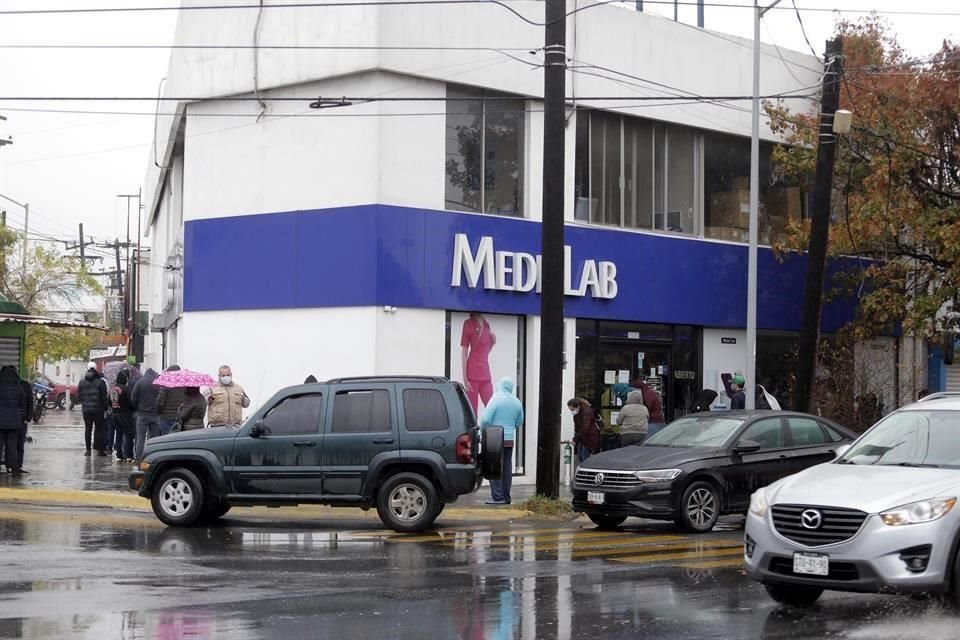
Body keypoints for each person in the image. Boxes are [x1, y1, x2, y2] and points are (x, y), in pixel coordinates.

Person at [480, 377, 523, 505]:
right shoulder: (516, 402)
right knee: (507, 468)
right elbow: (520, 421)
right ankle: (506, 497)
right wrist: (510, 428)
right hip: (509, 439)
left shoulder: (496, 399)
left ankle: (498, 497)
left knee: (494, 467)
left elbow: (486, 419)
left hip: (495, 438)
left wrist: (483, 431)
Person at [460, 313, 496, 414]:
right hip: (472, 374)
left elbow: (484, 353)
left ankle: (492, 429)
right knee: (472, 410)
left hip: (485, 373)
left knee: (491, 407)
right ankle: (473, 430)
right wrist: (465, 378)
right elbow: (464, 352)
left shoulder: (486, 324)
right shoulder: (468, 324)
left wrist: (492, 343)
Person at [77, 363, 109, 456]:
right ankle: (100, 450)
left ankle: (88, 450)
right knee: (99, 429)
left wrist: (85, 403)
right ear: (96, 369)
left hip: (86, 410)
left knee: (88, 429)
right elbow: (104, 397)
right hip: (98, 410)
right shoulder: (101, 382)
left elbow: (79, 396)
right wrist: (106, 408)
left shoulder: (81, 382)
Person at [0, 366, 27, 474]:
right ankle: (14, 468)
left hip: (0, 421)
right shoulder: (18, 387)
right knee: (12, 446)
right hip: (15, 421)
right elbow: (22, 402)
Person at [131, 368, 161, 463]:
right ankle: (152, 458)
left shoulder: (140, 382)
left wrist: (138, 408)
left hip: (142, 414)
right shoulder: (157, 383)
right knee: (154, 438)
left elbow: (133, 398)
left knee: (140, 438)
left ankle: (139, 459)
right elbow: (161, 398)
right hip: (155, 415)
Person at [110, 370, 136, 462]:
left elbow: (109, 402)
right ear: (125, 379)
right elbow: (131, 402)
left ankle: (119, 456)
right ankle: (129, 456)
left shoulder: (113, 389)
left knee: (118, 434)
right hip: (125, 415)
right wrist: (134, 409)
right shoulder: (126, 389)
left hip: (115, 414)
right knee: (129, 435)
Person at [156, 365, 186, 436]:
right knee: (178, 440)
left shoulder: (165, 385)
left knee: (166, 441)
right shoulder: (184, 385)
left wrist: (158, 412)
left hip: (166, 418)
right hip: (180, 418)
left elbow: (159, 402)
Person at [568, 398, 600, 463]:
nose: (572, 411)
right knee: (580, 456)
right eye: (570, 410)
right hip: (583, 438)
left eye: (572, 409)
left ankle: (587, 472)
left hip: (590, 438)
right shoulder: (577, 413)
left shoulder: (587, 412)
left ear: (578, 406)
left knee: (584, 458)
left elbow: (585, 428)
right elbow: (578, 427)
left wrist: (575, 439)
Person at [15, 372, 34, 473]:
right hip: (21, 419)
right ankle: (16, 466)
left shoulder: (25, 385)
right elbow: (30, 402)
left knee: (18, 443)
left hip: (22, 419)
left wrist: (29, 417)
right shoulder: (23, 385)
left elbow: (30, 402)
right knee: (17, 444)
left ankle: (17, 465)